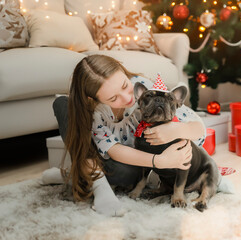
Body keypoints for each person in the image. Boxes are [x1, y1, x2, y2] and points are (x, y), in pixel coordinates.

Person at [42, 54, 207, 217]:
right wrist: (160, 161)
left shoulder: (145, 89)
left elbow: (198, 127)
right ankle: (100, 187)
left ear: (123, 71)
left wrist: (176, 129)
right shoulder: (96, 112)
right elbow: (114, 150)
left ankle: (76, 175)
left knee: (127, 174)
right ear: (94, 99)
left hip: (135, 165)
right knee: (63, 104)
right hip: (106, 159)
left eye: (125, 86)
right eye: (113, 98)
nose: (128, 98)